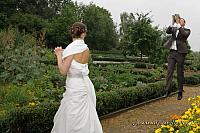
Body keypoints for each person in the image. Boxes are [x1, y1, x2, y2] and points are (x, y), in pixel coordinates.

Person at [51, 22, 103, 133]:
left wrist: (59, 56)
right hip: (85, 83)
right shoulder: (86, 48)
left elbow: (63, 71)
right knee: (86, 116)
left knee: (73, 117)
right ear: (83, 33)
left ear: (72, 33)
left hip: (74, 86)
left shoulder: (71, 49)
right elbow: (79, 65)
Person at [164, 15, 191, 100]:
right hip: (172, 52)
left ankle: (179, 92)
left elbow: (184, 35)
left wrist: (179, 27)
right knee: (169, 71)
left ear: (184, 23)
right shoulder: (175, 28)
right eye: (179, 20)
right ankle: (167, 91)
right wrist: (172, 24)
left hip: (181, 53)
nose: (179, 21)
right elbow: (167, 31)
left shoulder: (187, 30)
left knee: (179, 73)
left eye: (181, 21)